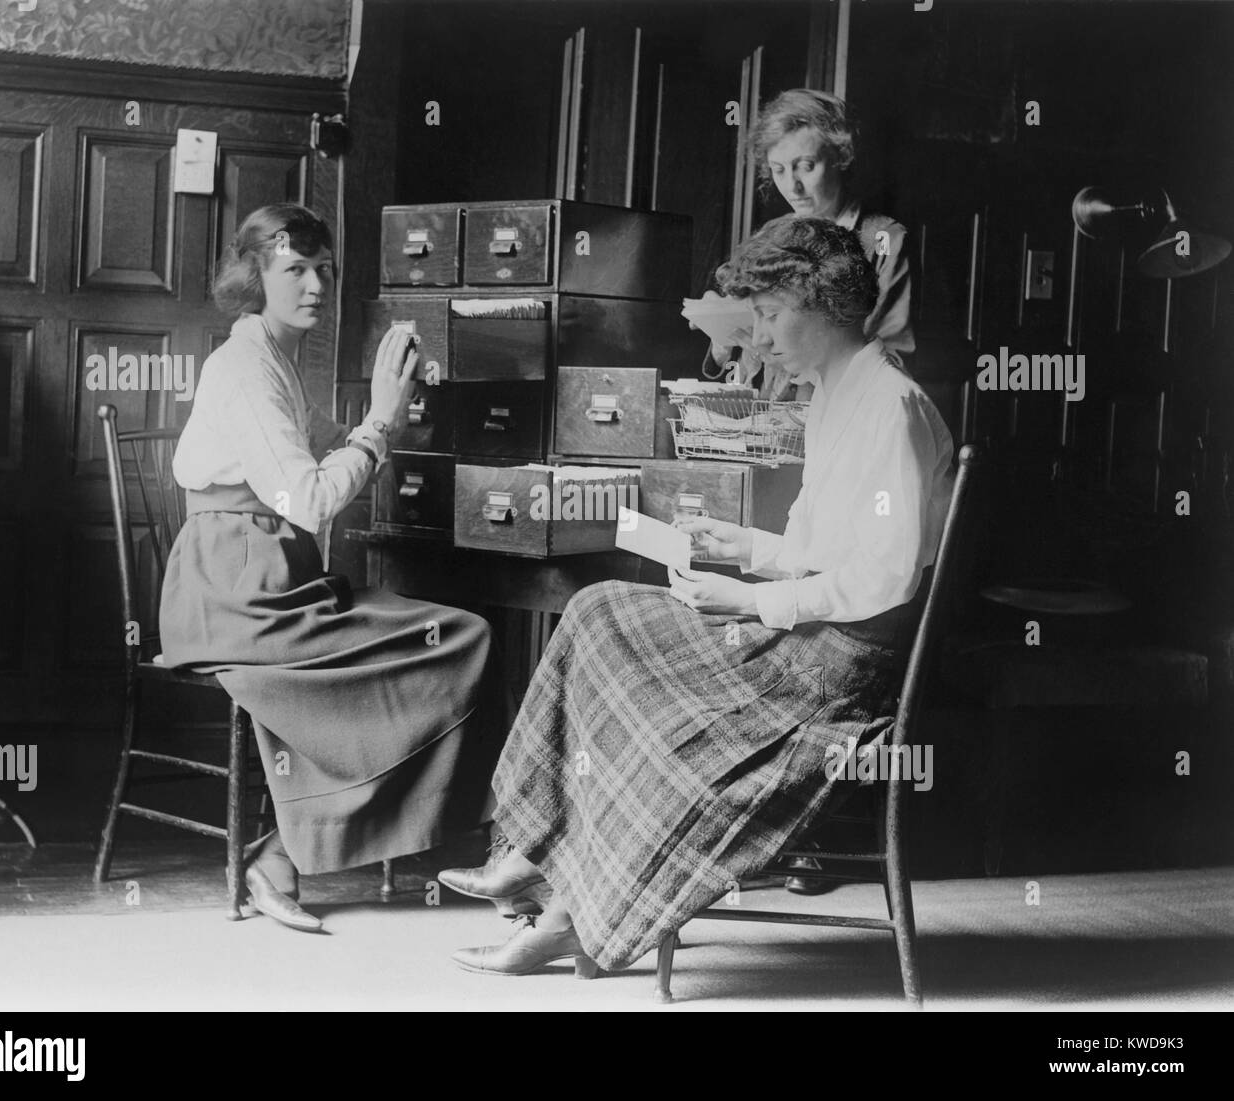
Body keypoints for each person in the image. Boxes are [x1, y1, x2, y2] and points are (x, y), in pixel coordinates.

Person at [438, 218, 954, 976]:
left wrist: (747, 603)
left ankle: (565, 907)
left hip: (842, 670)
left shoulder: (891, 406)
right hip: (813, 638)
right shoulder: (835, 398)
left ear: (827, 305)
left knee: (621, 652)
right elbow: (823, 550)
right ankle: (539, 855)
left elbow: (886, 578)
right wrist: (742, 549)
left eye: (772, 314)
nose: (761, 333)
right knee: (597, 613)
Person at [160, 203, 501, 933]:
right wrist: (380, 421)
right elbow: (309, 497)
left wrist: (396, 410)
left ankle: (292, 845)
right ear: (256, 276)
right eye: (295, 270)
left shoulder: (274, 357)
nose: (316, 284)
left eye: (325, 269)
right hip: (235, 594)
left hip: (272, 580)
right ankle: (287, 851)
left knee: (458, 636)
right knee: (453, 640)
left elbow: (319, 455)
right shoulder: (244, 366)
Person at [704, 88, 914, 399]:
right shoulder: (771, 238)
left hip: (840, 420)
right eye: (778, 170)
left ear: (840, 157)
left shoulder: (883, 239)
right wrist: (722, 339)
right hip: (771, 425)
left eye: (806, 165)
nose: (792, 185)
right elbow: (746, 365)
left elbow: (893, 360)